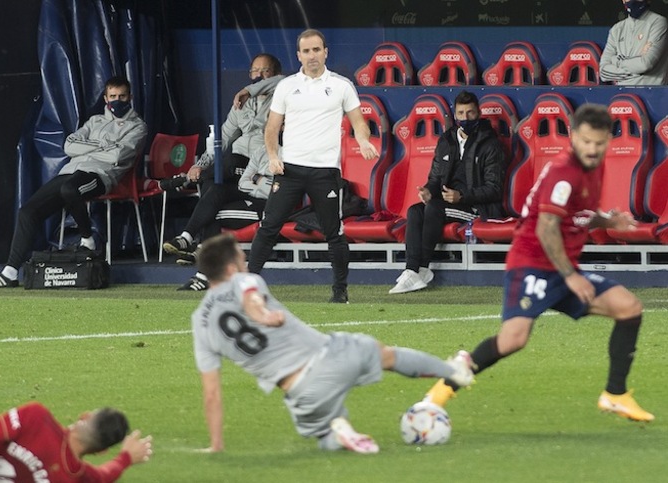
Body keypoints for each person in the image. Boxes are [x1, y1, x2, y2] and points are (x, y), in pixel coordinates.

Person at [424, 103, 654, 423]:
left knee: (629, 308)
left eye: (599, 143)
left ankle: (615, 394)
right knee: (513, 340)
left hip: (561, 266)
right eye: (586, 142)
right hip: (532, 263)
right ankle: (440, 391)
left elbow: (574, 216)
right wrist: (571, 276)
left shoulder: (593, 167)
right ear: (573, 137)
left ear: (607, 141)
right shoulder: (564, 172)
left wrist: (606, 221)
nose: (592, 149)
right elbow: (547, 227)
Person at [191, 233, 474, 454]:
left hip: (302, 396)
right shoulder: (244, 280)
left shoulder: (200, 322)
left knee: (324, 435)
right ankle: (454, 371)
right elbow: (250, 298)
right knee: (385, 355)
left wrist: (216, 443)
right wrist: (262, 315)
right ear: (231, 268)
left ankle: (337, 432)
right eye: (242, 258)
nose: (246, 263)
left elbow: (211, 393)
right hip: (329, 358)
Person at [0, 76, 148, 289]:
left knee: (70, 190)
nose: (117, 100)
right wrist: (102, 145)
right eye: (113, 96)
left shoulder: (137, 126)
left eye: (122, 96)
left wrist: (90, 146)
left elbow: (117, 155)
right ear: (105, 98)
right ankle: (10, 272)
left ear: (130, 97)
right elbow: (69, 146)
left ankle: (88, 240)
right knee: (28, 211)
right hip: (69, 171)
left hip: (100, 176)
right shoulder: (95, 121)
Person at [247, 29, 378, 304]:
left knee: (334, 232)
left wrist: (364, 141)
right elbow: (272, 127)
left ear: (325, 52)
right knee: (269, 226)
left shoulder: (342, 85)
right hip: (290, 170)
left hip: (325, 172)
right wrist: (273, 155)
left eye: (316, 50)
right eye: (306, 51)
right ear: (299, 55)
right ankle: (246, 288)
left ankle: (340, 291)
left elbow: (358, 121)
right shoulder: (286, 86)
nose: (312, 56)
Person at [162, 53, 284, 267]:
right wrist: (200, 165)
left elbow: (284, 80)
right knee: (213, 185)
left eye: (265, 71)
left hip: (258, 166)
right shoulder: (242, 104)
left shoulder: (282, 96)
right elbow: (223, 139)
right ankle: (189, 240)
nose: (259, 76)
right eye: (255, 71)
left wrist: (249, 89)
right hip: (235, 169)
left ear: (273, 73)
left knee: (224, 166)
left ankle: (184, 184)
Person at [389, 90, 505, 294]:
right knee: (415, 210)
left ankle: (421, 268)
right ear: (455, 114)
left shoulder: (490, 144)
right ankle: (413, 270)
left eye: (470, 113)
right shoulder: (447, 140)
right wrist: (427, 190)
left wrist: (462, 197)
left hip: (475, 207)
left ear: (478, 113)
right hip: (445, 202)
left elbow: (494, 189)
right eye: (461, 113)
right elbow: (435, 179)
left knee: (434, 208)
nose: (465, 118)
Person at [0, 396, 152, 481]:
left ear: (84, 416)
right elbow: (105, 475)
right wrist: (126, 458)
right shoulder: (75, 477)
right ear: (101, 451)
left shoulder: (37, 418)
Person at [174, 144, 279, 292]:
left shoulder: (288, 154)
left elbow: (276, 192)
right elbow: (243, 182)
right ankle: (188, 237)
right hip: (250, 197)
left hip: (267, 207)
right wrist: (258, 181)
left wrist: (255, 180)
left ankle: (204, 271)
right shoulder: (261, 150)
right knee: (216, 189)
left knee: (213, 213)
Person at [599, 0, 668, 85]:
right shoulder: (616, 30)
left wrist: (616, 60)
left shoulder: (658, 22)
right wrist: (638, 71)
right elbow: (603, 72)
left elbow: (645, 64)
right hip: (622, 95)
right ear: (623, 1)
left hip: (652, 95)